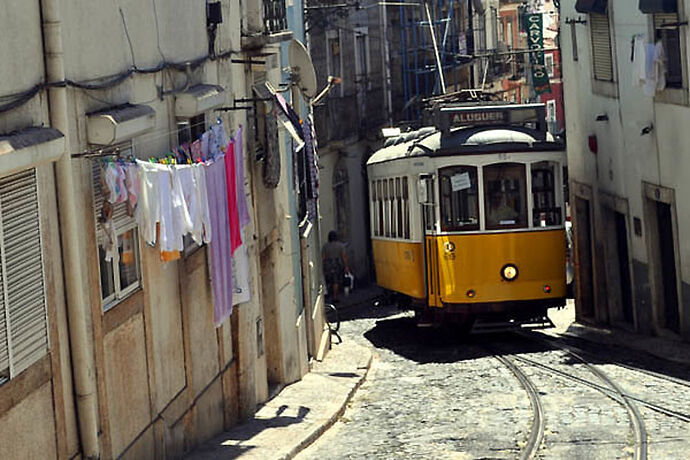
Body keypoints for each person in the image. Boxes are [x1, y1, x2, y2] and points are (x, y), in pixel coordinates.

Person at [322, 230, 349, 304]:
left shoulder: (325, 246)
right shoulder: (340, 245)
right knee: (336, 280)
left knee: (329, 280)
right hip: (337, 264)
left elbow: (323, 257)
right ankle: (335, 297)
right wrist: (346, 266)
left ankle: (328, 294)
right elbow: (344, 256)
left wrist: (323, 265)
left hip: (328, 264)